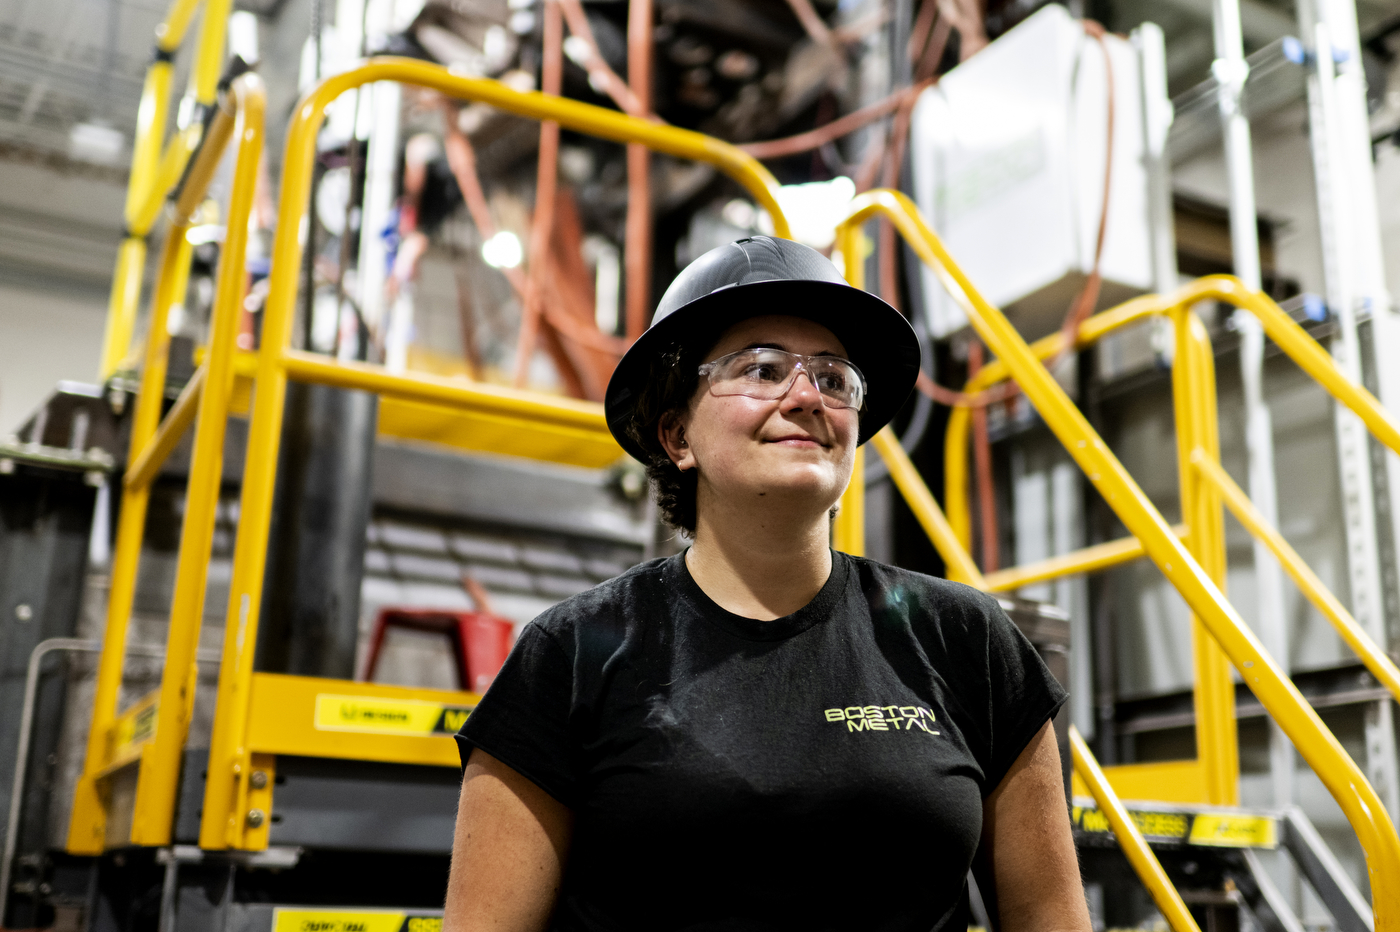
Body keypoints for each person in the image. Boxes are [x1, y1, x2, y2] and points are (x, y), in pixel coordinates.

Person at [444, 236, 1090, 932]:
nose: (807, 396)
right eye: (762, 368)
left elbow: (1051, 917)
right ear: (677, 437)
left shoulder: (964, 639)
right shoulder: (572, 654)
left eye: (835, 377)